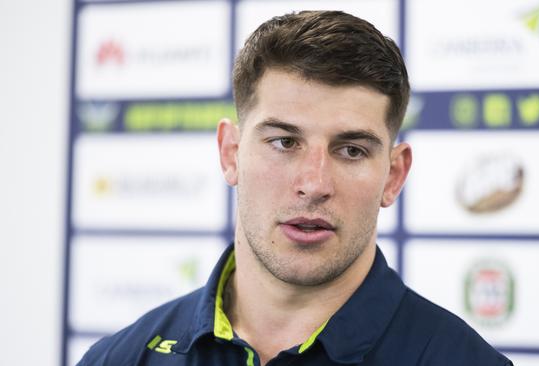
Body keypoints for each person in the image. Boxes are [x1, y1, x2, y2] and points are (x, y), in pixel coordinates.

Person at [78, 10, 513, 366]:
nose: (314, 184)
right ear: (231, 153)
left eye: (352, 151)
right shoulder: (119, 358)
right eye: (284, 142)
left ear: (394, 176)